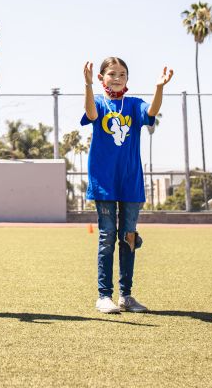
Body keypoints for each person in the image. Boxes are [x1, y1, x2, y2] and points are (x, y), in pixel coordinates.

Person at [82, 57, 172, 314]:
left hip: (130, 182)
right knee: (106, 236)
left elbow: (151, 112)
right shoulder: (99, 101)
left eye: (122, 73)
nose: (118, 77)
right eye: (112, 73)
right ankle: (104, 295)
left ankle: (126, 295)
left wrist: (159, 87)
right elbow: (90, 114)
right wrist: (87, 86)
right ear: (102, 78)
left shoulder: (134, 104)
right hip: (104, 181)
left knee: (128, 236)